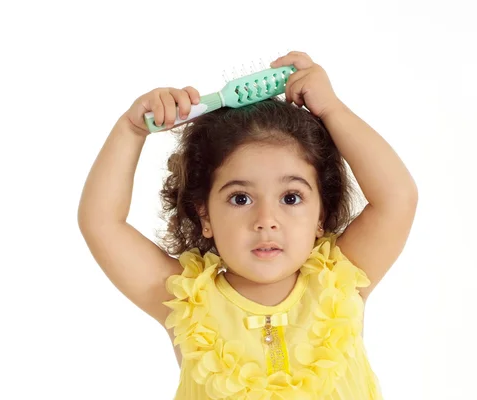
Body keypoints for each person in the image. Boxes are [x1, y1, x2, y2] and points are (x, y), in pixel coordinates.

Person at [78, 51, 418, 399]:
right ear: (205, 216)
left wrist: (332, 109)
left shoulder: (343, 280)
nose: (266, 221)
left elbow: (397, 198)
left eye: (291, 198)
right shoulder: (183, 299)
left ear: (321, 213)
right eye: (241, 198)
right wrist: (130, 130)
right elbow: (102, 223)